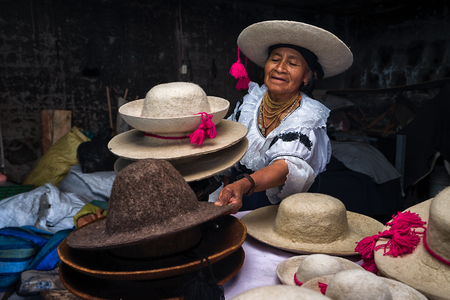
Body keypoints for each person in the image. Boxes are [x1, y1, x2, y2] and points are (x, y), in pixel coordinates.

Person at [214, 20, 353, 214]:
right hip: (236, 197)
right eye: (275, 59)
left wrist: (243, 186)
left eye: (293, 63)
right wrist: (228, 189)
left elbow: (285, 167)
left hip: (280, 206)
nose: (280, 68)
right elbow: (230, 150)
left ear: (306, 76)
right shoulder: (249, 103)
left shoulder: (307, 116)